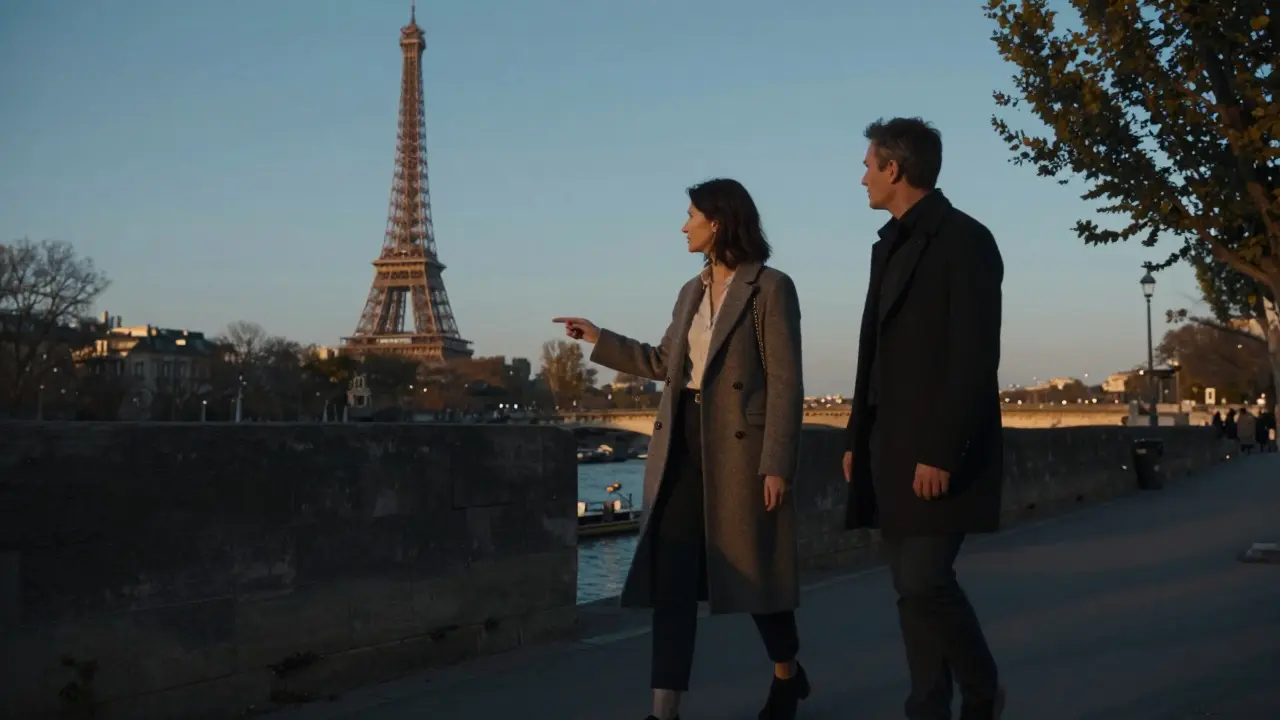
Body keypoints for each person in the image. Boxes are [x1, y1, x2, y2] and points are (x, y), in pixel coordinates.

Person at [553, 177, 808, 720]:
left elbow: (785, 382)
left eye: (691, 215)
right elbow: (661, 363)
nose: (683, 225)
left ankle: (787, 673)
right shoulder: (689, 292)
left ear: (717, 221)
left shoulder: (771, 288)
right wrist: (598, 337)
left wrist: (777, 463)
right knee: (673, 584)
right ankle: (663, 711)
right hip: (680, 447)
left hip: (738, 451)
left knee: (752, 574)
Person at [841, 117, 1005, 720]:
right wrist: (857, 435)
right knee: (909, 593)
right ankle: (927, 707)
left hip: (938, 450)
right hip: (888, 447)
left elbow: (972, 356)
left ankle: (982, 690)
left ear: (895, 168)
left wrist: (941, 449)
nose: (860, 177)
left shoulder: (965, 240)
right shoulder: (890, 242)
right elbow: (872, 355)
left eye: (867, 165)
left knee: (924, 581)